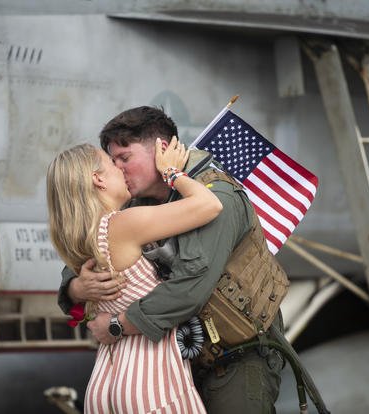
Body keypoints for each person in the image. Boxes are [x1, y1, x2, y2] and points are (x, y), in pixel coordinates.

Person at [58, 106, 285, 413]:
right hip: (175, 359)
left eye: (124, 158)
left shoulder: (218, 195)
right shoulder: (135, 205)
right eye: (112, 161)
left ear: (162, 150)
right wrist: (77, 288)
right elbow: (90, 251)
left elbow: (189, 286)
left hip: (235, 357)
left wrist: (115, 325)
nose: (117, 169)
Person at [47, 138, 223, 413]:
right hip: (152, 381)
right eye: (111, 164)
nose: (121, 169)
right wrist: (171, 171)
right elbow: (210, 205)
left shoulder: (79, 238)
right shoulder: (124, 225)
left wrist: (75, 289)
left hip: (106, 378)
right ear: (98, 180)